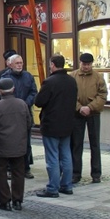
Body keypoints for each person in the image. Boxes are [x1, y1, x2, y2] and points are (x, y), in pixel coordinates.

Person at [34, 55, 78, 198]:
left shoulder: (50, 82)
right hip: (67, 123)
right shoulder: (71, 81)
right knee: (66, 154)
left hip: (52, 123)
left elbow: (39, 102)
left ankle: (53, 188)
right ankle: (67, 185)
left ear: (52, 65)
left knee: (52, 156)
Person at [0, 78, 32, 211]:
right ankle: (17, 200)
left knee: (1, 173)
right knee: (18, 173)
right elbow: (29, 124)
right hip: (19, 145)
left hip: (1, 145)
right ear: (13, 89)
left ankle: (4, 201)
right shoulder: (22, 104)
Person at [70, 53, 107, 184]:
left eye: (88, 64)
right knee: (76, 144)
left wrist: (90, 107)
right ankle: (75, 173)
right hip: (77, 114)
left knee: (95, 144)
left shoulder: (98, 77)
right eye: (84, 64)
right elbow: (69, 95)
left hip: (93, 113)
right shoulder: (72, 76)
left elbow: (102, 95)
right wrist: (79, 107)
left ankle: (96, 174)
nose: (86, 67)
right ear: (80, 63)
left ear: (92, 64)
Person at [0, 54, 37, 178]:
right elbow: (0, 94)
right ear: (10, 64)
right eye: (17, 63)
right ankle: (10, 168)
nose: (20, 65)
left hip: (25, 112)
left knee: (26, 142)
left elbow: (33, 92)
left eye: (21, 63)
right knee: (10, 142)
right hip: (10, 115)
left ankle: (26, 167)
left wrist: (25, 103)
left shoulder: (28, 76)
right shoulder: (5, 78)